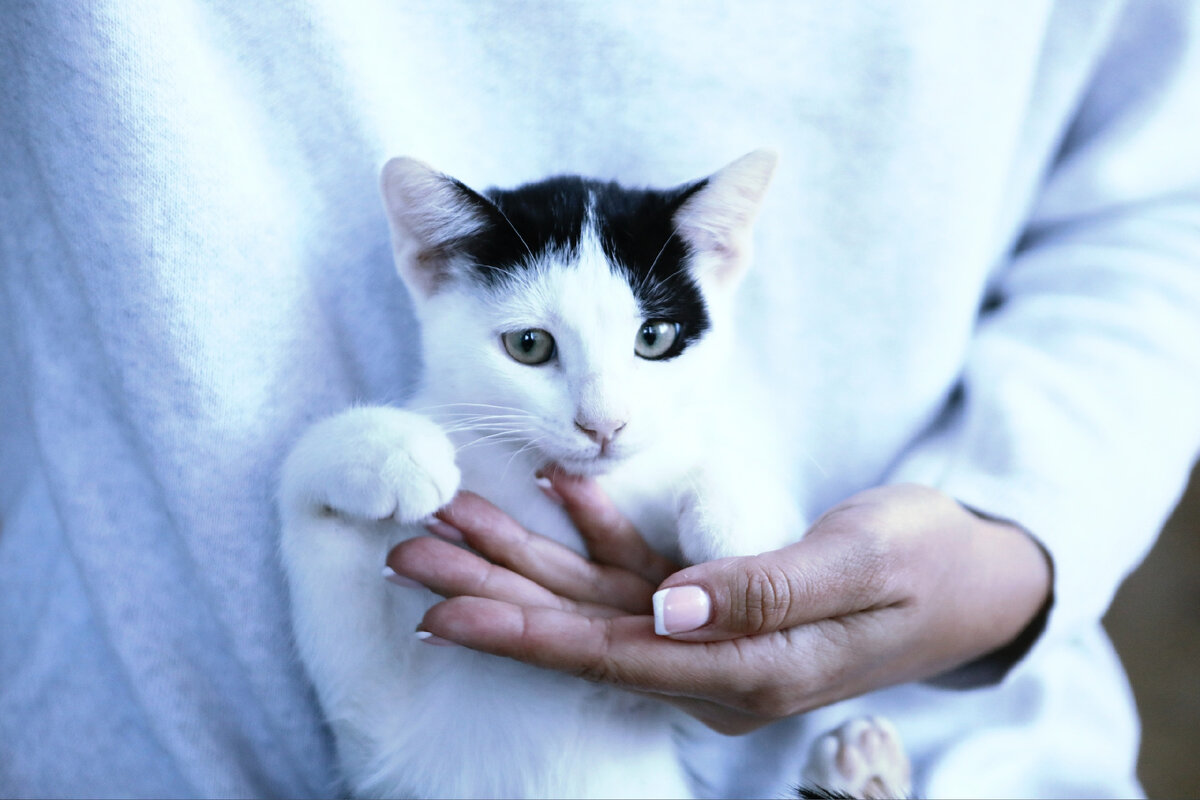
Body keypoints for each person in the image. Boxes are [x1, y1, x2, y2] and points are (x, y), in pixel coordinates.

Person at [2, 1, 1198, 797]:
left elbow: (1166, 201)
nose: (601, 413)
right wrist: (346, 471)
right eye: (533, 345)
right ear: (432, 269)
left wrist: (1014, 532)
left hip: (963, 748)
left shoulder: (683, 445)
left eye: (651, 347)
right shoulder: (435, 435)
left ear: (722, 267)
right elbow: (345, 586)